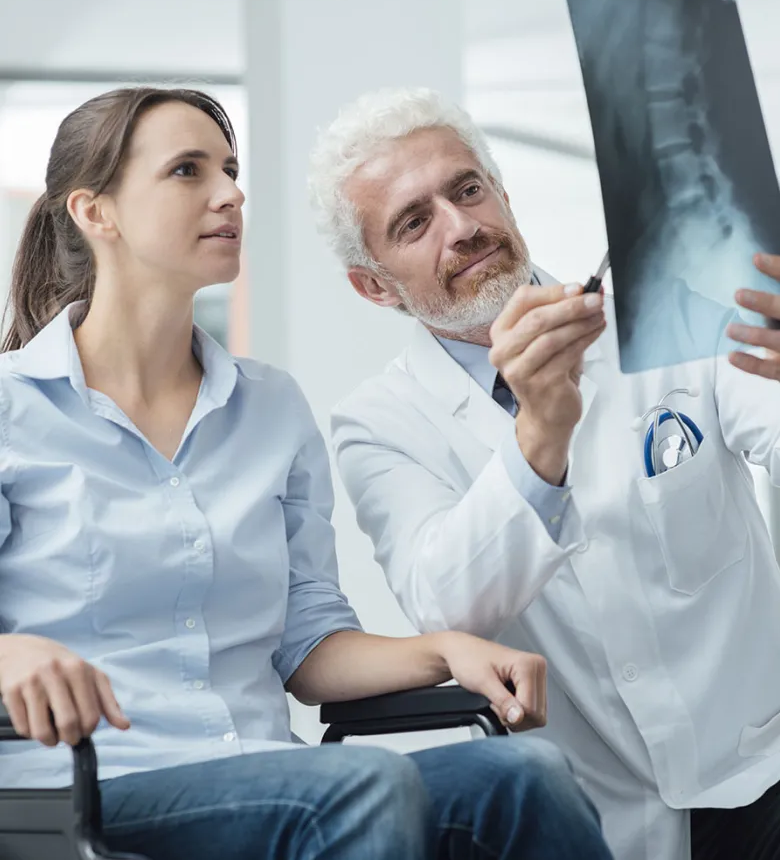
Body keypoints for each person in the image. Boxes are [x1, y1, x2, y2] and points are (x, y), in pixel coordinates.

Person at [0, 87, 613, 860]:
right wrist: (9, 653)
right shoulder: (12, 413)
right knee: (363, 785)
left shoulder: (270, 407)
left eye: (229, 168)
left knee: (524, 771)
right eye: (188, 171)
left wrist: (447, 649)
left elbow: (309, 645)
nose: (230, 192)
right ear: (96, 212)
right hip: (84, 793)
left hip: (268, 778)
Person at [310, 86, 780, 860]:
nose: (462, 227)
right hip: (597, 823)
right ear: (375, 286)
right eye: (414, 221)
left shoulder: (668, 310)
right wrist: (539, 438)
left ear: (502, 193)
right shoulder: (379, 422)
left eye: (468, 190)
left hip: (762, 766)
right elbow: (447, 603)